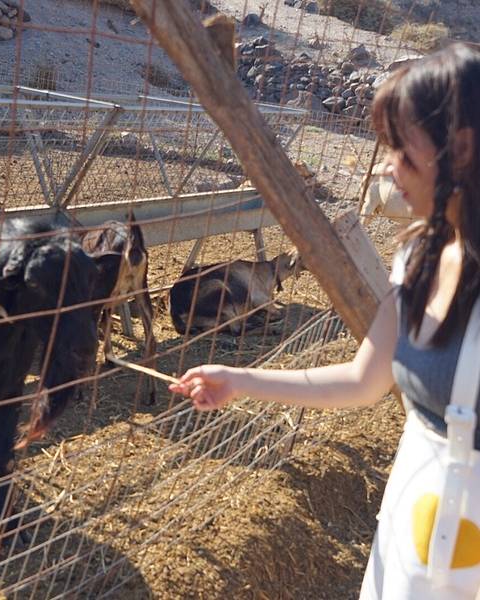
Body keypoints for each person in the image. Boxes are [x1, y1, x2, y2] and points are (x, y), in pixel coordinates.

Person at [170, 42, 480, 600]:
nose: (387, 167)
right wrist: (239, 380)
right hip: (411, 537)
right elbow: (361, 380)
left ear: (460, 149)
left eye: (403, 150)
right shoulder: (419, 257)